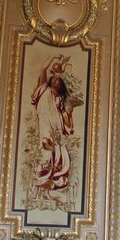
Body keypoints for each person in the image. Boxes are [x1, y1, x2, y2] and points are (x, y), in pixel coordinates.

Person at [30, 53, 80, 201]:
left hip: (56, 130)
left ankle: (46, 192)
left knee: (58, 160)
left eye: (59, 79)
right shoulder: (44, 88)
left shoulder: (60, 98)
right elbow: (42, 69)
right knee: (45, 156)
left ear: (61, 84)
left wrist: (69, 113)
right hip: (45, 126)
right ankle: (35, 190)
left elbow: (66, 118)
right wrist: (53, 57)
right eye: (54, 78)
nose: (56, 80)